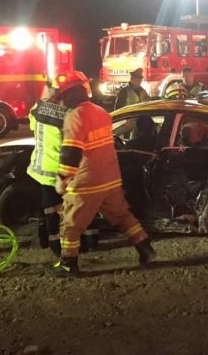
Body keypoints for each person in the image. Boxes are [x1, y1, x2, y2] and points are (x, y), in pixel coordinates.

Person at [52, 71, 157, 277]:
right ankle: (146, 249)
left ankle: (68, 264)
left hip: (87, 182)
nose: (61, 101)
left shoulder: (75, 116)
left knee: (71, 224)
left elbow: (71, 152)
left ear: (71, 95)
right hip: (110, 177)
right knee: (122, 216)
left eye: (63, 96)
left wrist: (63, 178)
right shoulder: (101, 112)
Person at [27, 82, 68, 257]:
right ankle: (58, 245)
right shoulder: (66, 113)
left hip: (40, 168)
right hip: (58, 169)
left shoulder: (37, 108)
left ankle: (46, 241)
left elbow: (32, 126)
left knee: (47, 208)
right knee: (61, 210)